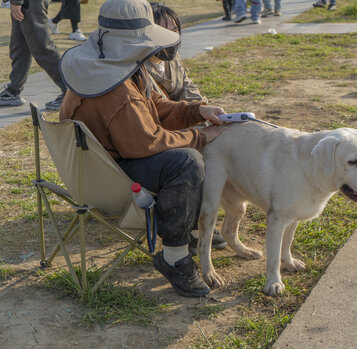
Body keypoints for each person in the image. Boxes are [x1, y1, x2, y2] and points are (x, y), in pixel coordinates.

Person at [59, 0, 229, 297]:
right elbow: (148, 142)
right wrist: (201, 137)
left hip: (92, 165)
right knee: (186, 162)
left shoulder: (107, 65)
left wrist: (196, 112)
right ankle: (174, 257)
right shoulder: (117, 91)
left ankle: (186, 232)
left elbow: (155, 107)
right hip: (109, 177)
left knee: (183, 153)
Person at [146, 2, 227, 253]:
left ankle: (199, 215)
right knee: (191, 157)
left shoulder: (171, 58)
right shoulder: (137, 69)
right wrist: (195, 126)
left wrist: (203, 110)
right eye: (166, 30)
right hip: (160, 135)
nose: (173, 36)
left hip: (179, 123)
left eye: (176, 29)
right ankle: (188, 226)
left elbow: (188, 88)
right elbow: (155, 117)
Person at [0, 0, 67, 110]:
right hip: (26, 3)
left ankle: (71, 92)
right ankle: (13, 91)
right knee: (20, 47)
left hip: (29, 3)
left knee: (43, 49)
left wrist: (16, 2)